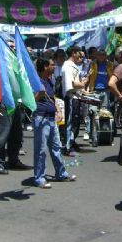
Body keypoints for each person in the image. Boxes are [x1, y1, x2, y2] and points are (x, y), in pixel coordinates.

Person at [0, 40, 30, 174]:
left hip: (16, 103)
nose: (14, 48)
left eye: (15, 46)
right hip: (2, 102)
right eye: (11, 46)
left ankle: (13, 160)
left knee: (17, 134)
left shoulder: (16, 62)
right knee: (2, 134)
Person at [33, 57, 77, 188]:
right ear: (45, 67)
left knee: (56, 148)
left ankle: (61, 173)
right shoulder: (36, 82)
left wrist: (57, 110)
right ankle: (40, 178)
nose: (54, 67)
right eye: (52, 65)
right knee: (40, 150)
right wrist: (38, 95)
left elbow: (52, 97)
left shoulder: (49, 80)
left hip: (52, 119)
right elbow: (30, 101)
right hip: (41, 118)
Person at [61, 45, 87, 156]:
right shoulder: (67, 66)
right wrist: (82, 84)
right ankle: (67, 147)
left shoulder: (73, 66)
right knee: (70, 123)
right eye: (79, 53)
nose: (80, 56)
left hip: (76, 97)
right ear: (73, 53)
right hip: (71, 97)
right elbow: (71, 84)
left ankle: (71, 142)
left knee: (75, 122)